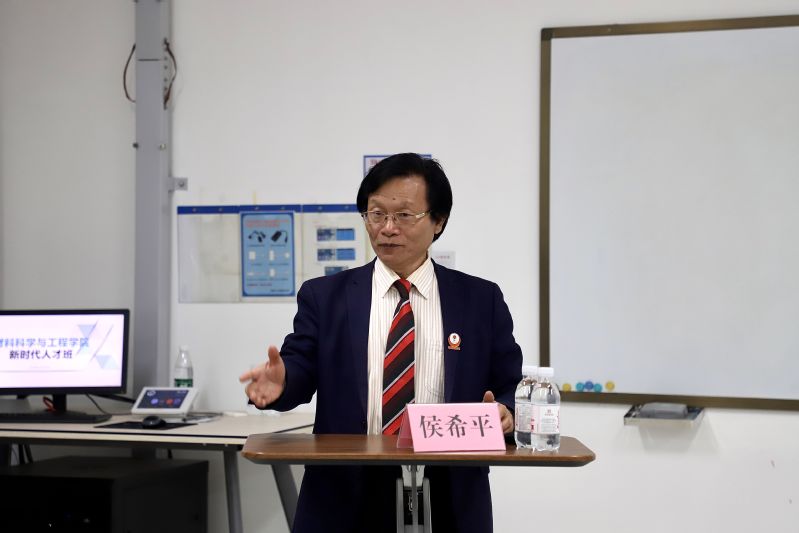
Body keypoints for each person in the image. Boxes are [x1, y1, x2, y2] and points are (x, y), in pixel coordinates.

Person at [239, 153, 523, 533]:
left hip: (449, 490)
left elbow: (510, 385)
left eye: (404, 215)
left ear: (438, 221)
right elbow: (301, 368)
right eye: (376, 214)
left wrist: (506, 412)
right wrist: (283, 381)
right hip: (345, 491)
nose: (388, 228)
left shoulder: (479, 300)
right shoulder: (325, 297)